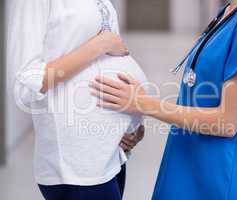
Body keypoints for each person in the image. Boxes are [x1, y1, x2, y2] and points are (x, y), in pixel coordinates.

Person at [89, 0, 237, 199]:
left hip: (224, 180)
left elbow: (227, 121)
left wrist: (142, 103)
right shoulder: (231, 11)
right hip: (192, 164)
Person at [7, 0, 146, 199]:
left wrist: (131, 123)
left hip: (112, 152)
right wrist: (101, 44)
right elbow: (25, 82)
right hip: (77, 165)